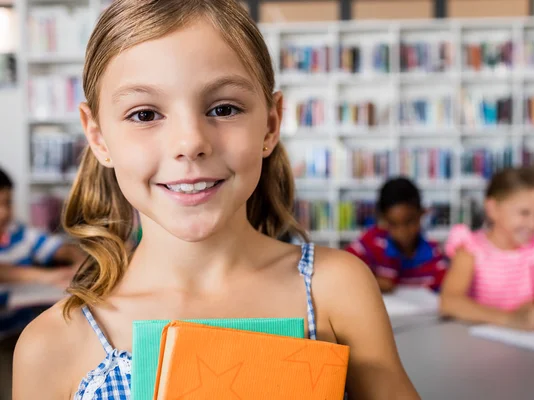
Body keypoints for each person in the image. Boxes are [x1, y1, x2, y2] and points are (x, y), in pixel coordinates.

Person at [12, 1, 420, 399]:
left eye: (224, 108)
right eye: (144, 114)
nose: (191, 143)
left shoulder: (335, 289)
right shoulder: (51, 345)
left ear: (271, 124)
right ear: (98, 137)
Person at [440, 167, 534, 331]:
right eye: (524, 213)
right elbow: (449, 301)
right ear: (493, 209)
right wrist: (510, 319)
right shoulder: (471, 249)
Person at [0, 167, 84, 400]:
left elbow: (58, 247)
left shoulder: (16, 232)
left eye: (8, 203)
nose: (4, 212)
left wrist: (79, 262)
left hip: (24, 330)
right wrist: (44, 276)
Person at [346, 177, 448, 293]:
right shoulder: (370, 244)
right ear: (383, 219)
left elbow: (446, 295)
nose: (402, 232)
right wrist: (375, 282)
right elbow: (341, 271)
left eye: (409, 222)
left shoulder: (434, 256)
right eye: (393, 224)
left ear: (422, 214)